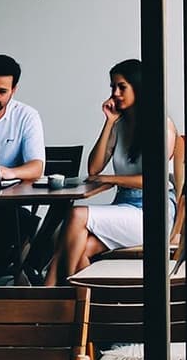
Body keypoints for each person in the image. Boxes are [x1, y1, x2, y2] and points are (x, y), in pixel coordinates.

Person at [48, 58, 178, 283]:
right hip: (124, 207)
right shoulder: (120, 125)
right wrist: (108, 122)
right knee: (81, 246)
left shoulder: (161, 125)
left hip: (153, 212)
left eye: (121, 87)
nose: (115, 93)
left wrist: (112, 179)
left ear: (138, 87)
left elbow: (153, 181)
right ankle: (90, 304)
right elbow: (93, 167)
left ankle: (58, 291)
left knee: (77, 215)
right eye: (112, 87)